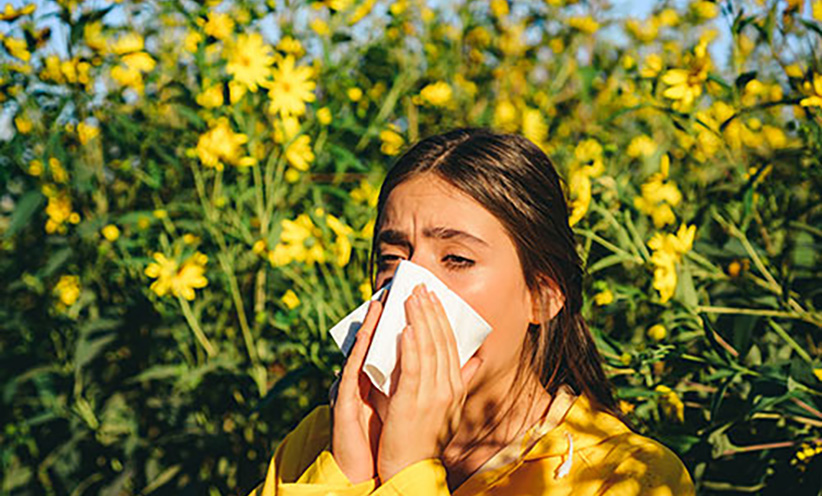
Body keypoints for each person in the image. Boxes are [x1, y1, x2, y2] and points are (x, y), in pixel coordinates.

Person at [247, 128, 695, 495]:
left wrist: (409, 471)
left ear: (542, 295)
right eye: (392, 258)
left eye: (457, 259)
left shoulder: (627, 476)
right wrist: (346, 472)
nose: (408, 288)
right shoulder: (320, 438)